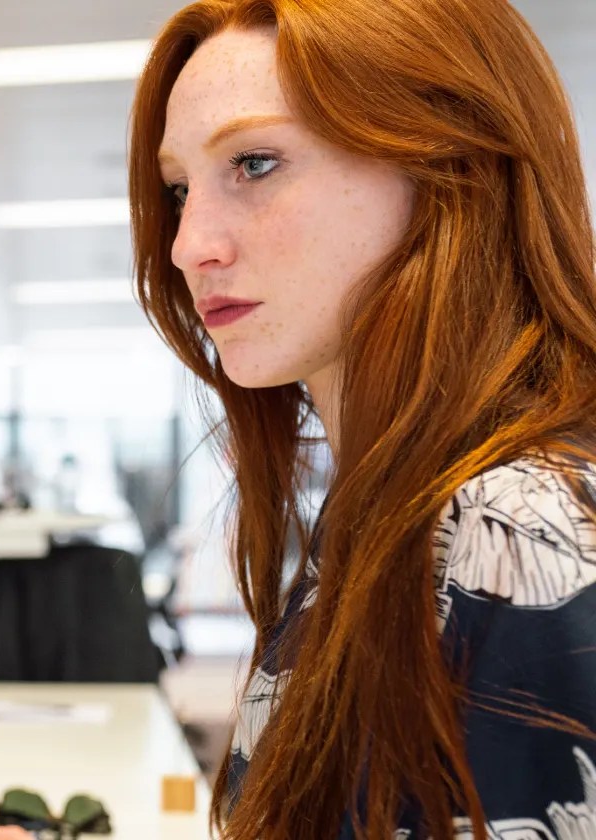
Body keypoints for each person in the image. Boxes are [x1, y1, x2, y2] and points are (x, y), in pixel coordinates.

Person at [129, 0, 596, 837]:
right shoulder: (393, 512)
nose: (186, 242)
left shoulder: (515, 526)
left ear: (450, 162)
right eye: (177, 188)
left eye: (257, 163)